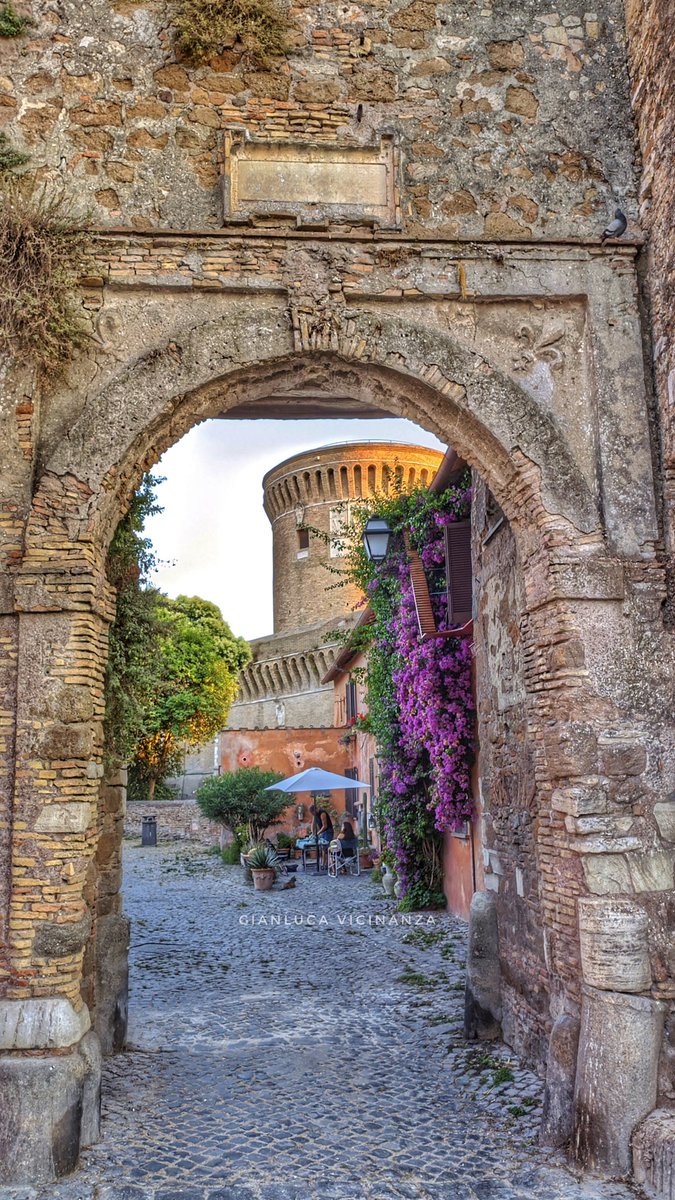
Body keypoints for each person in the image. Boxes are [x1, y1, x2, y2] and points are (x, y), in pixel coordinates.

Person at [309, 802, 334, 868]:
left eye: (313, 813)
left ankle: (327, 864)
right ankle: (323, 864)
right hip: (323, 832)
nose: (313, 814)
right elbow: (313, 824)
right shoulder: (315, 814)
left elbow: (325, 826)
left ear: (316, 810)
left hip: (328, 831)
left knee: (326, 848)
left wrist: (317, 833)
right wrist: (312, 833)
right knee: (323, 848)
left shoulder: (322, 813)